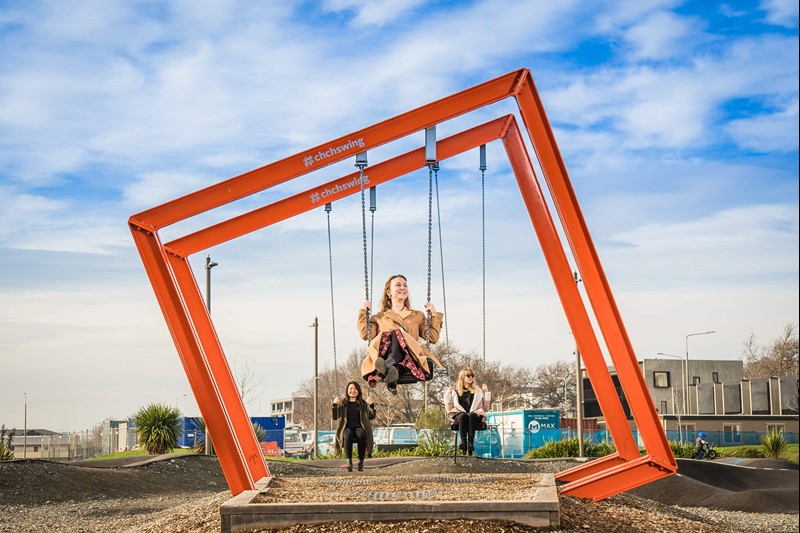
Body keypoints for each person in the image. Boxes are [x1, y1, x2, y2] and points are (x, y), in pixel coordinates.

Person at [358, 274, 445, 394]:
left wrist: (434, 314)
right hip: (384, 354)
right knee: (392, 334)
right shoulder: (379, 317)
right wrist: (363, 312)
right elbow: (364, 334)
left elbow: (433, 338)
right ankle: (390, 368)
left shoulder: (417, 315)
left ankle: (387, 365)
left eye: (405, 285)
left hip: (410, 356)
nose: (402, 288)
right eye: (398, 285)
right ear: (388, 292)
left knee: (398, 333)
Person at [444, 367, 491, 455]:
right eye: (468, 375)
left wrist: (486, 392)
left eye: (472, 375)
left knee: (470, 415)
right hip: (460, 415)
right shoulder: (455, 391)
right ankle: (463, 442)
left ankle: (470, 443)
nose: (471, 377)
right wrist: (448, 394)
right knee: (463, 415)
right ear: (463, 377)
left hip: (474, 415)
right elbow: (449, 409)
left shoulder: (477, 391)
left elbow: (486, 408)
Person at [332, 381, 376, 471]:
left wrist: (371, 405)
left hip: (359, 427)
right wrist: (334, 404)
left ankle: (361, 462)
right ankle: (349, 462)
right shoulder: (343, 403)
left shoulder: (363, 403)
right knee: (347, 435)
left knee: (362, 434)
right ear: (347, 391)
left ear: (358, 391)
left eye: (355, 389)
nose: (353, 391)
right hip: (347, 427)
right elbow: (335, 417)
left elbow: (371, 416)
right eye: (351, 389)